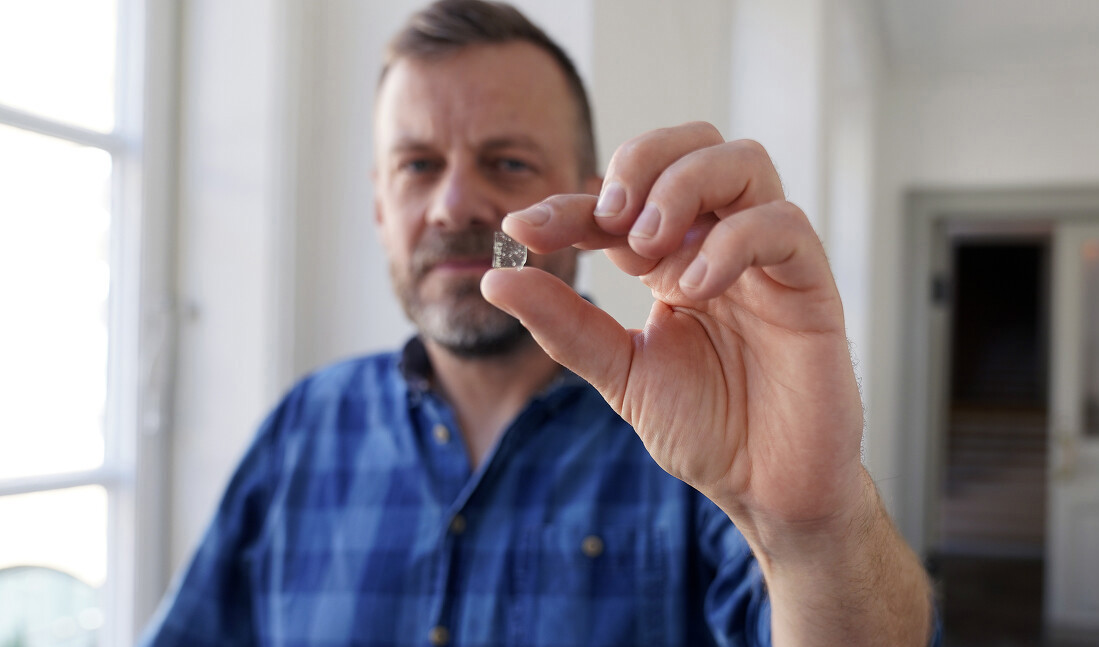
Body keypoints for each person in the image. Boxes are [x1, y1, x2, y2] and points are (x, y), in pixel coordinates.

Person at [141, 1, 940, 645]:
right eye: (417, 165)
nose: (454, 205)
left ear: (590, 203)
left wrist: (814, 529)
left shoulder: (695, 440)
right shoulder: (299, 431)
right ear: (381, 205)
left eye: (507, 163)